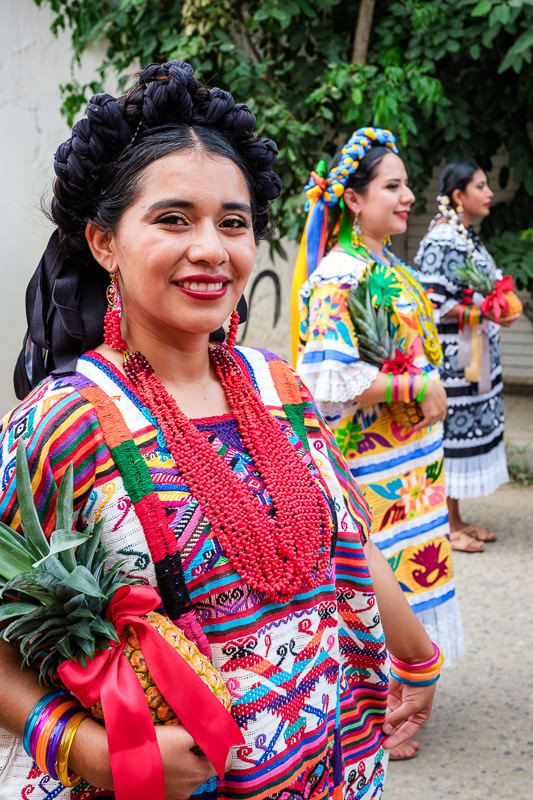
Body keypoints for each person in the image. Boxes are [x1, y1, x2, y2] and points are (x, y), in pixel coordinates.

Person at [0, 63, 439, 800]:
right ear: (104, 243)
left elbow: (347, 540)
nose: (211, 248)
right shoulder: (63, 424)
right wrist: (98, 753)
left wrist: (417, 657)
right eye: (174, 219)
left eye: (232, 223)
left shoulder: (282, 389)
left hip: (335, 768)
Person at [293, 128, 465, 760]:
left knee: (405, 577)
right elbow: (324, 376)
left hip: (410, 465)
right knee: (379, 579)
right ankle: (379, 716)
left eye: (407, 184)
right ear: (354, 201)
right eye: (393, 186)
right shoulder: (341, 274)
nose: (408, 196)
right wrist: (416, 383)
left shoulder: (386, 266)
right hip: (370, 466)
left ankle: (400, 697)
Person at [414, 162, 520, 552]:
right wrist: (483, 313)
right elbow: (431, 301)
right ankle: (445, 527)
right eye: (481, 185)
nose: (489, 191)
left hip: (472, 358)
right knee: (450, 439)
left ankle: (454, 519)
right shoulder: (444, 239)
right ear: (459, 196)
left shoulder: (464, 237)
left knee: (459, 438)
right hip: (455, 360)